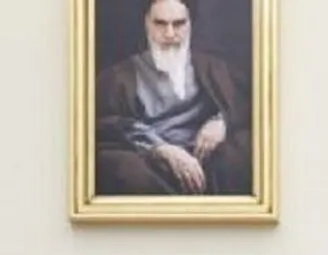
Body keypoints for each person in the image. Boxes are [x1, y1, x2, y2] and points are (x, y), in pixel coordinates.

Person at [95, 0, 252, 196]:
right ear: (146, 24)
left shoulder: (214, 68)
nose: (169, 34)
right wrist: (162, 149)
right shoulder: (118, 76)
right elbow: (108, 123)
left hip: (207, 159)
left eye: (179, 24)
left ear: (190, 24)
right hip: (151, 162)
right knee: (122, 169)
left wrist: (222, 122)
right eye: (160, 23)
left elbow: (246, 105)